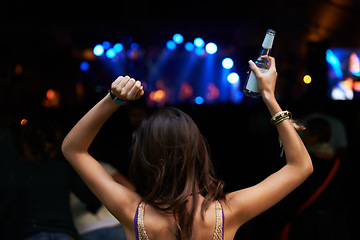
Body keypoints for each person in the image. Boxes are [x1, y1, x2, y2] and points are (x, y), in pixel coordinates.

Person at [62, 56, 313, 240]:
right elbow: (300, 166)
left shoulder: (131, 213)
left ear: (144, 156)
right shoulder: (229, 213)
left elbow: (74, 149)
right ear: (198, 153)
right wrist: (269, 96)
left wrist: (113, 99)